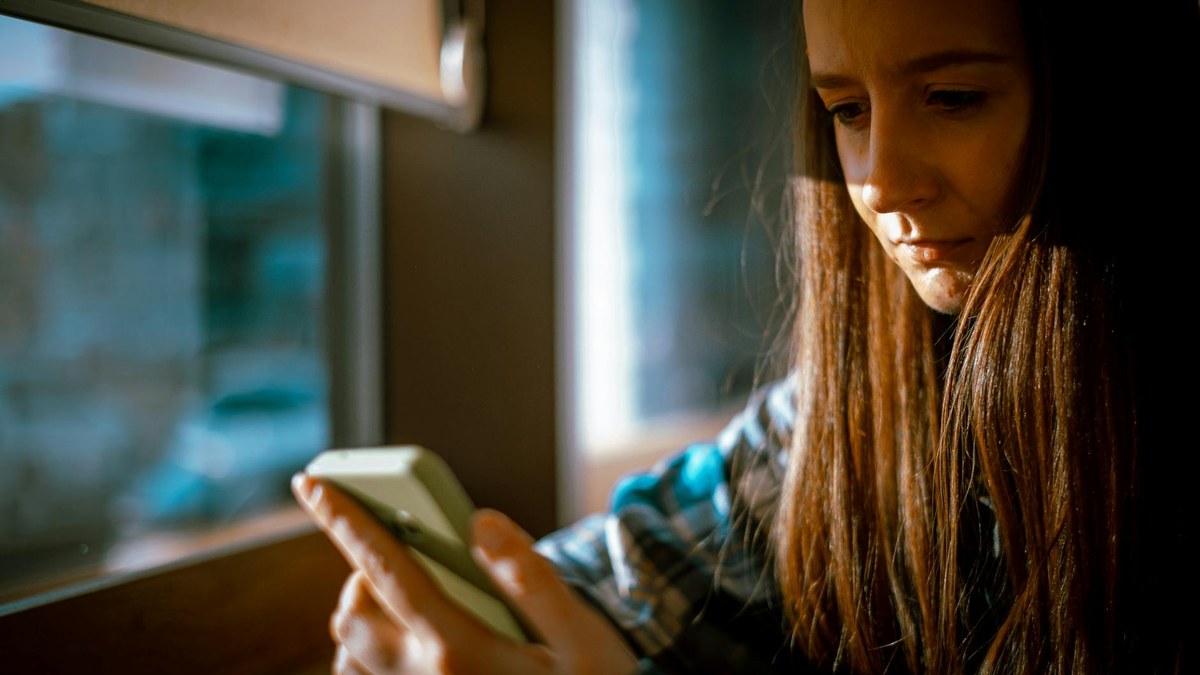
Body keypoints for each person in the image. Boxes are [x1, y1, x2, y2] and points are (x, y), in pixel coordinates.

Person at [291, 0, 1199, 672]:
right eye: (847, 110)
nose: (879, 180)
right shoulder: (835, 428)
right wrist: (440, 630)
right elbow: (621, 569)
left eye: (953, 96)